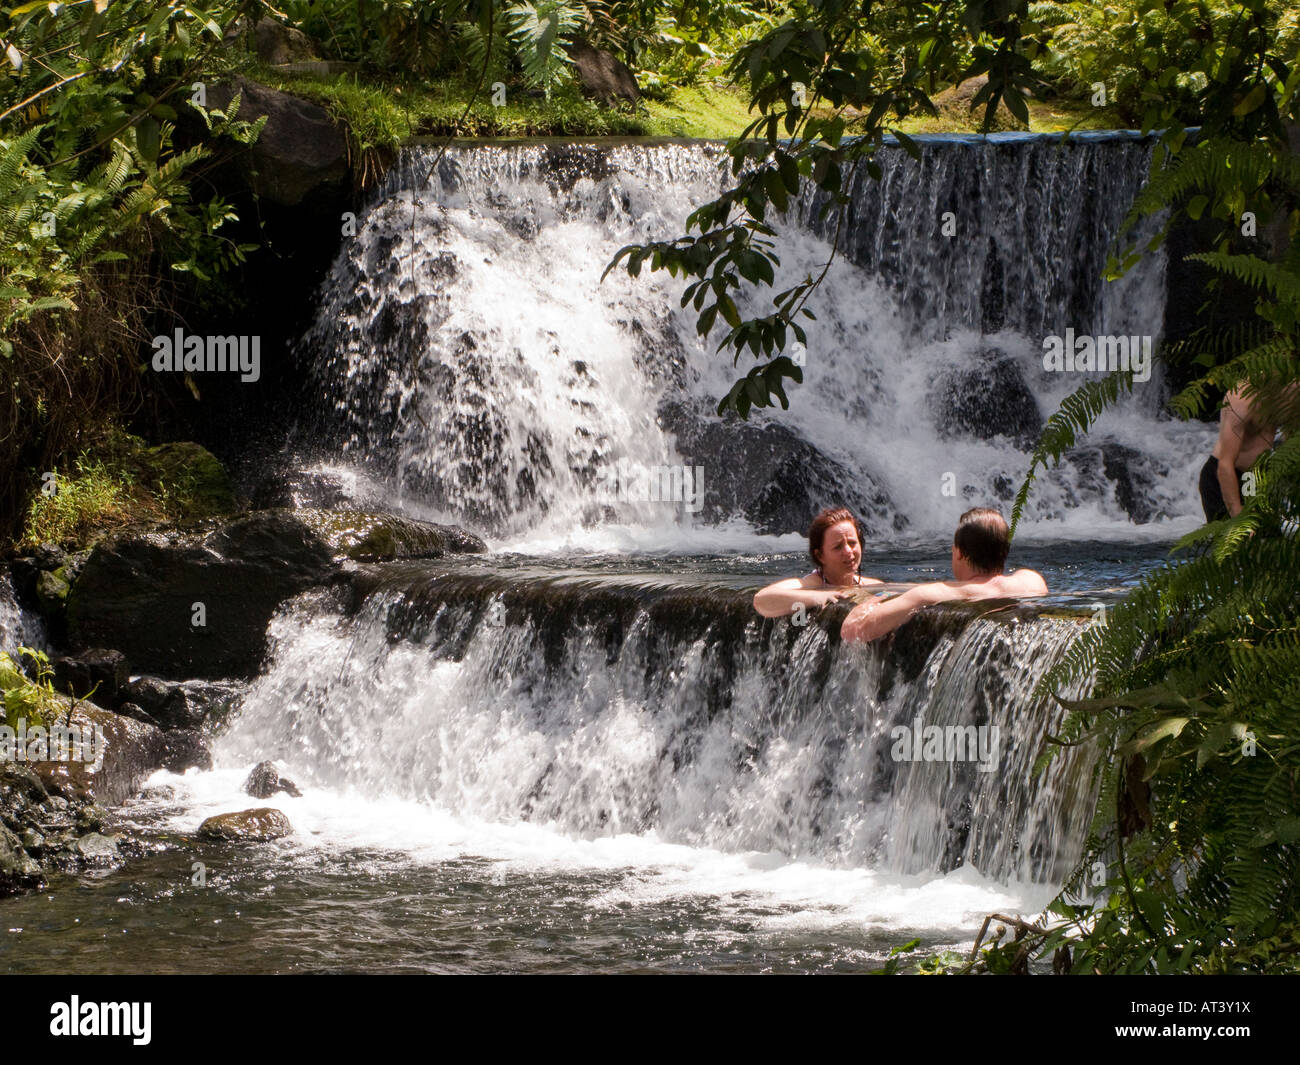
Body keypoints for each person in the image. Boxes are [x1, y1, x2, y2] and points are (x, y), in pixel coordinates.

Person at [840, 507, 1046, 643]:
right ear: (1004, 552)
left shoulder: (930, 594)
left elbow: (853, 631)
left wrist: (874, 601)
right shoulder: (1031, 580)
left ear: (960, 553)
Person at [752, 506, 882, 618]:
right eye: (838, 547)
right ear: (820, 556)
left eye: (853, 543)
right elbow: (761, 600)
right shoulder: (808, 585)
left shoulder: (874, 586)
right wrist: (818, 597)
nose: (848, 551)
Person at [1199, 384, 1279, 521]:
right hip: (1225, 476)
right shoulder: (1240, 399)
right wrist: (1237, 514)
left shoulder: (1288, 392)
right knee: (1231, 540)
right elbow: (1225, 464)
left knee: (1270, 539)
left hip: (1256, 477)